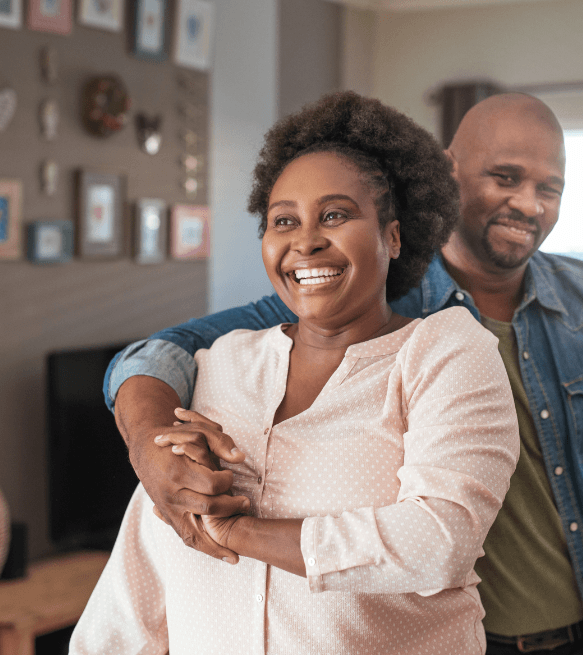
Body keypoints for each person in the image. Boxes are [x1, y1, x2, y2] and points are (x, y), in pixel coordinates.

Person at [103, 92, 583, 655]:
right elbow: (159, 354)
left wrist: (234, 530)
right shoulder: (345, 301)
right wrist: (149, 447)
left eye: (552, 188)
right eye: (506, 177)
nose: (529, 204)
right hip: (452, 629)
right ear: (449, 172)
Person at [71, 91, 520, 655]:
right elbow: (141, 578)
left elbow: (438, 543)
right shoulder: (222, 362)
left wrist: (239, 532)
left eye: (335, 215)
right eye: (284, 220)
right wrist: (154, 458)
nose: (305, 240)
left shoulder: (444, 351)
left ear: (394, 236)